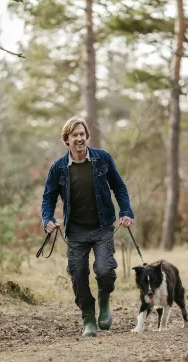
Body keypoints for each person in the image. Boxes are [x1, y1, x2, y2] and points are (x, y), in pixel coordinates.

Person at [41, 116, 134, 337]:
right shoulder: (59, 168)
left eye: (82, 134)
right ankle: (88, 318)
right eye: (75, 135)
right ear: (67, 140)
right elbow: (48, 198)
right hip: (75, 231)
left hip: (102, 227)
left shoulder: (102, 159)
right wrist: (48, 219)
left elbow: (119, 187)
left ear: (87, 137)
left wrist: (126, 211)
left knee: (104, 271)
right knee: (78, 274)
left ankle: (103, 302)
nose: (79, 138)